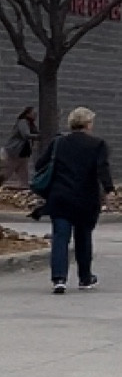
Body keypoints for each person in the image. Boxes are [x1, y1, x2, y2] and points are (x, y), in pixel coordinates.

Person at [36, 106, 114, 294]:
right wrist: (109, 191)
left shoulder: (58, 143)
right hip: (85, 198)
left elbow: (40, 164)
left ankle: (59, 279)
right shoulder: (97, 144)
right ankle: (85, 278)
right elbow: (102, 169)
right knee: (83, 237)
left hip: (60, 197)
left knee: (60, 238)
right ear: (88, 124)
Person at [1, 106, 39, 188]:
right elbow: (25, 135)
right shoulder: (23, 122)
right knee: (7, 172)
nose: (35, 115)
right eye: (34, 113)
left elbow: (35, 132)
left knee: (23, 174)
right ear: (28, 114)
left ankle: (24, 187)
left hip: (23, 153)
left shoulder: (31, 124)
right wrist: (39, 136)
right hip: (14, 151)